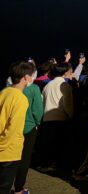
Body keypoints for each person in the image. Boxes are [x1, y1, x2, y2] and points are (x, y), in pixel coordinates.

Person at [0, 61, 34, 194]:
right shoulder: (20, 99)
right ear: (25, 77)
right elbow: (13, 129)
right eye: (31, 75)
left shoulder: (4, 92)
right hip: (8, 151)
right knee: (4, 187)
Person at [13, 63, 43, 194]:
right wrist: (37, 123)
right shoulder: (34, 89)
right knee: (24, 158)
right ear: (26, 76)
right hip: (29, 127)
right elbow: (38, 110)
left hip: (13, 128)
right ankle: (19, 188)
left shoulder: (8, 89)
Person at [39, 61, 74, 172]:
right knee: (59, 145)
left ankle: (45, 164)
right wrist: (70, 115)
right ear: (66, 72)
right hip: (60, 118)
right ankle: (56, 166)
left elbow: (42, 101)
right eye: (70, 70)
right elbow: (67, 105)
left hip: (46, 118)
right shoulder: (65, 86)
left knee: (48, 144)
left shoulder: (47, 85)